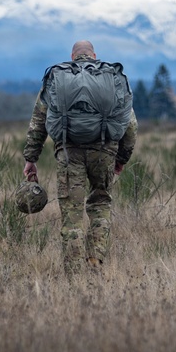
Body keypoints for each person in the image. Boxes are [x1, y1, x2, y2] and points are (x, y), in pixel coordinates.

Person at [22, 40, 137, 275]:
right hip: (104, 152)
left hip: (68, 152)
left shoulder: (58, 78)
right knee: (100, 204)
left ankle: (73, 273)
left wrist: (30, 159)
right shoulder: (111, 79)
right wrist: (121, 159)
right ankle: (95, 261)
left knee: (72, 214)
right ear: (94, 55)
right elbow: (131, 125)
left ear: (72, 56)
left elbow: (38, 122)